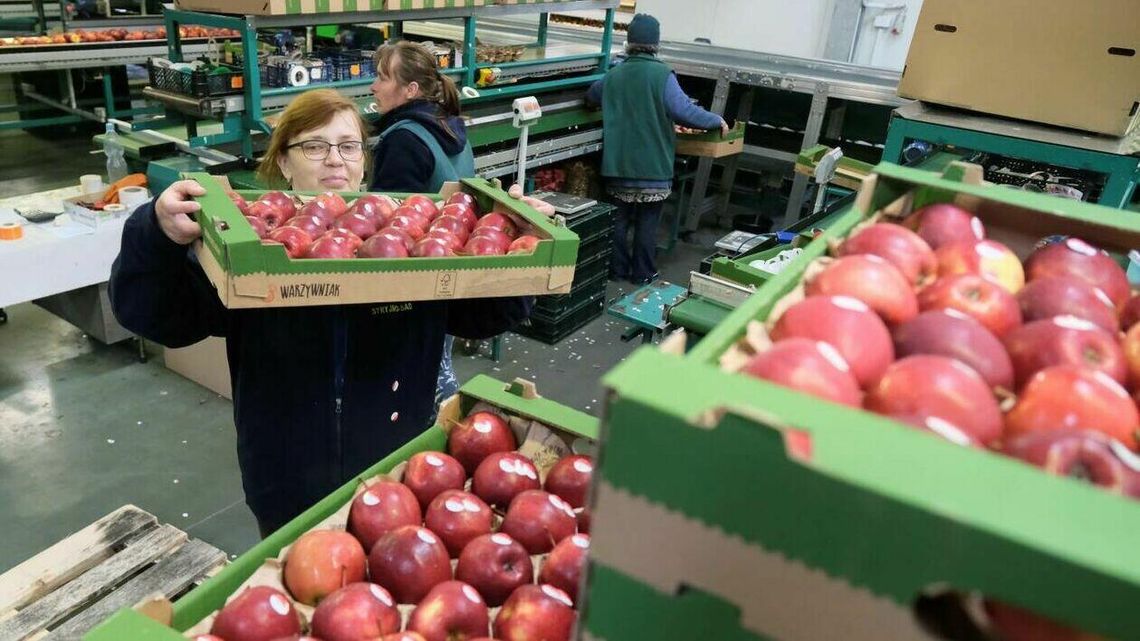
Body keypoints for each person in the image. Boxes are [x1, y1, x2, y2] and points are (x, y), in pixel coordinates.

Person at [109, 88, 547, 537]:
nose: (335, 160)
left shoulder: (410, 245)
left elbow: (484, 316)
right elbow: (156, 316)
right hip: (285, 475)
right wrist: (155, 232)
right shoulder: (249, 249)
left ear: (363, 159)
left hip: (397, 468)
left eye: (348, 146)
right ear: (283, 161)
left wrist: (521, 245)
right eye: (314, 146)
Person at [368, 40, 476, 421]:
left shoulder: (403, 141)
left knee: (418, 373)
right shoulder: (450, 125)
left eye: (382, 78)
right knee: (437, 359)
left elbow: (389, 229)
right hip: (448, 264)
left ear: (409, 90)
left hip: (415, 281)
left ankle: (440, 431)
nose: (373, 87)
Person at [586, 13, 728, 285]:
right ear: (656, 43)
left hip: (618, 165)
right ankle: (642, 273)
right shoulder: (662, 74)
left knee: (618, 221)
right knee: (647, 224)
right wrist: (714, 119)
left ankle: (616, 270)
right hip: (652, 167)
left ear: (629, 42)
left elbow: (591, 96)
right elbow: (683, 110)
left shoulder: (614, 74)